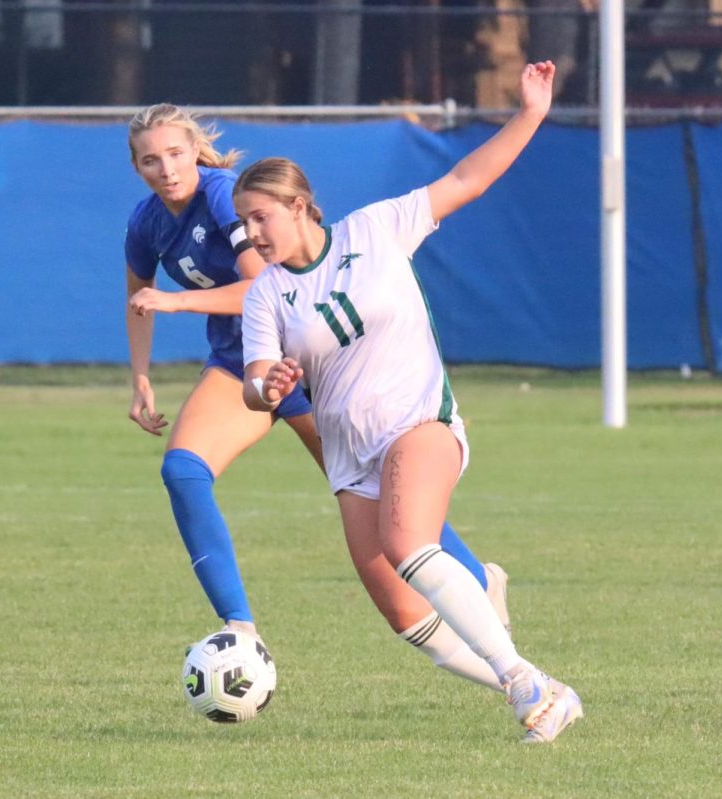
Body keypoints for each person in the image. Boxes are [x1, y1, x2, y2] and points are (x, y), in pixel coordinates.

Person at [236, 62, 583, 743]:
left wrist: (530, 114)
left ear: (301, 204)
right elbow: (253, 384)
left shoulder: (377, 229)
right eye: (245, 222)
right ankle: (543, 684)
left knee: (407, 543)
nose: (252, 233)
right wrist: (267, 385)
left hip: (418, 421)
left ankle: (525, 685)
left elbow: (467, 180)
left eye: (261, 216)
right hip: (350, 456)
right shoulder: (266, 293)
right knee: (404, 614)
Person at [123, 104, 516, 691]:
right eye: (149, 159)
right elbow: (138, 293)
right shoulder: (148, 221)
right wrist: (141, 377)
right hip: (248, 369)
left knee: (384, 499)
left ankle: (477, 583)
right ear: (136, 166)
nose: (165, 168)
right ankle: (240, 627)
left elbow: (264, 283)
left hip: (316, 363)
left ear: (197, 151)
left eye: (175, 153)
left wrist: (177, 304)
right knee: (182, 470)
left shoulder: (227, 197)